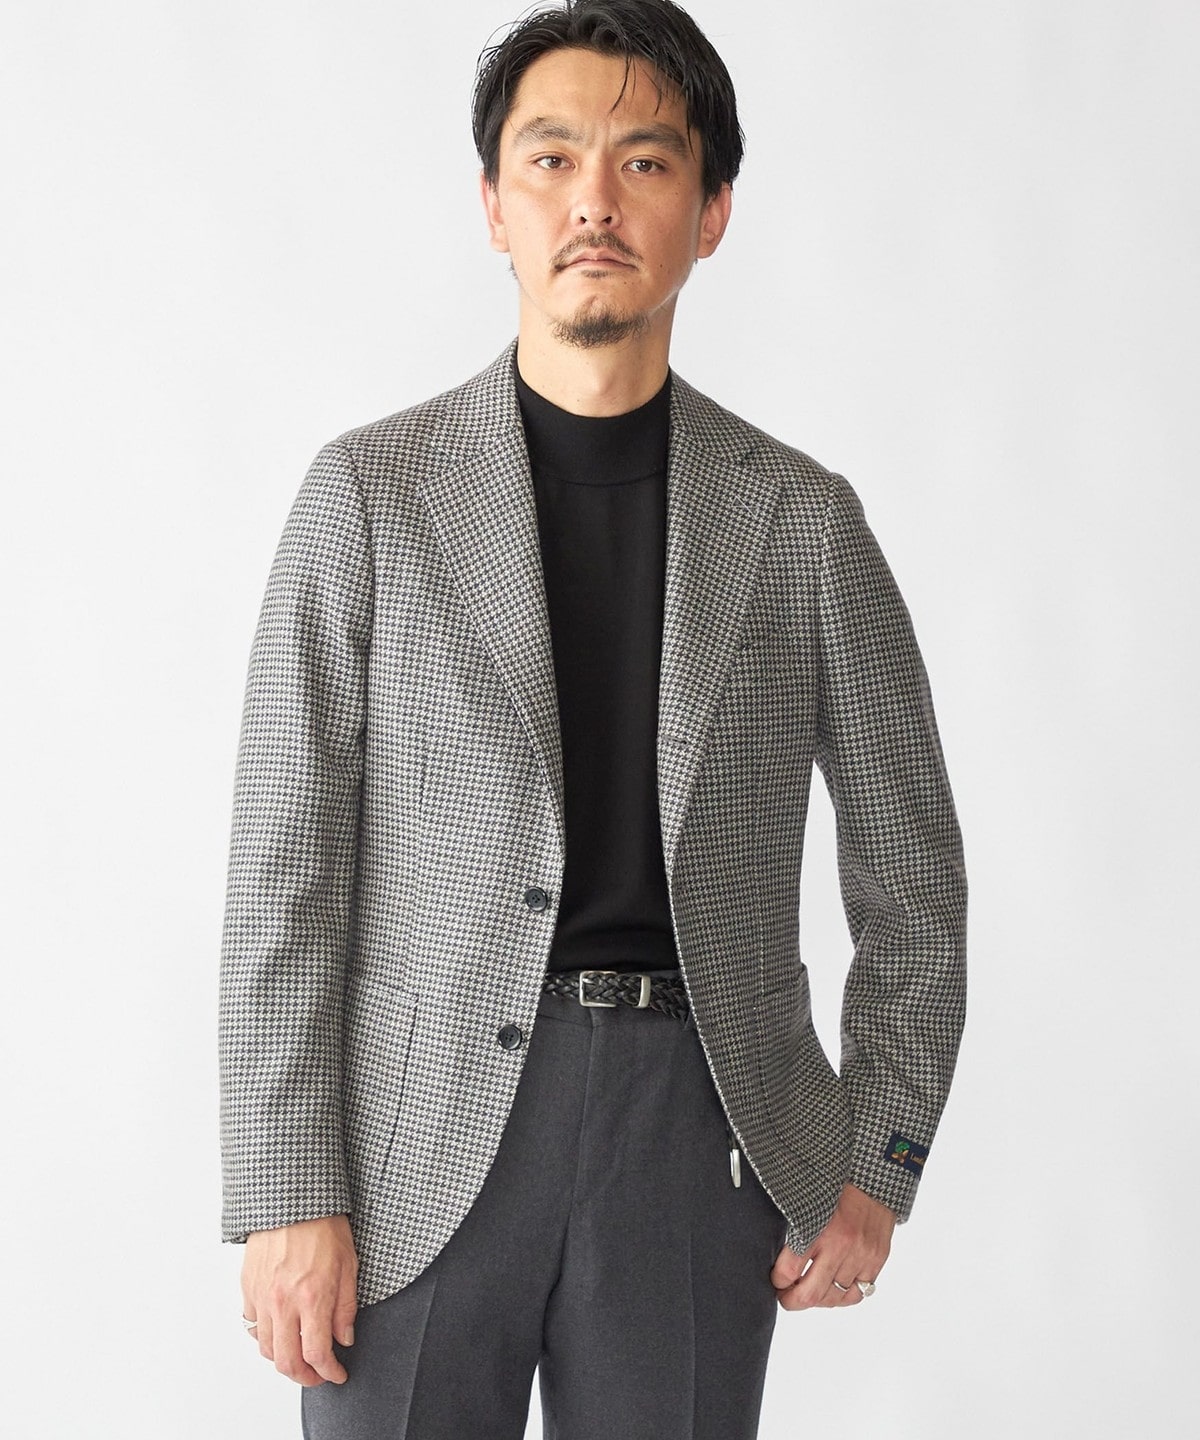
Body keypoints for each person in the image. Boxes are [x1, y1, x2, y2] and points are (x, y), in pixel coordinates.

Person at [218, 2, 967, 1436]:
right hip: (413, 1145)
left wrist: (877, 1158)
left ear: (712, 212)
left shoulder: (803, 524)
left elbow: (913, 870)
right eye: (552, 158)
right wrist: (285, 1187)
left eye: (646, 163)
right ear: (494, 205)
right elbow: (283, 869)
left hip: (696, 1137)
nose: (594, 201)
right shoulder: (368, 499)